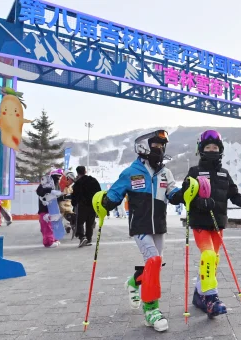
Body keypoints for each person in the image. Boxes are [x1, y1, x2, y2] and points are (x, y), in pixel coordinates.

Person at [93, 129, 181, 332]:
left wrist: (186, 192)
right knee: (153, 260)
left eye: (161, 146)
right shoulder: (130, 172)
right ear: (143, 146)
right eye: (155, 145)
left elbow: (173, 194)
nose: (159, 149)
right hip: (140, 226)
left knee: (155, 267)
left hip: (159, 225)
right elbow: (114, 195)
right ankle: (151, 310)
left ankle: (133, 282)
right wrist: (104, 203)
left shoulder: (165, 173)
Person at [179, 130, 241, 318]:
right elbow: (183, 196)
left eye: (215, 147)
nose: (212, 150)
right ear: (201, 150)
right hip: (200, 223)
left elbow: (234, 196)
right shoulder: (194, 172)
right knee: (209, 256)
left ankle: (199, 294)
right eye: (208, 147)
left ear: (221, 150)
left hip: (217, 225)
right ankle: (211, 298)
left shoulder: (224, 174)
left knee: (213, 261)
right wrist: (198, 202)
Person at [71, 166, 101, 247]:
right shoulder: (93, 180)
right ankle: (88, 239)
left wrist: (73, 204)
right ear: (85, 171)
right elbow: (99, 192)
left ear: (77, 173)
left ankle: (82, 237)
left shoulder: (78, 183)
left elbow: (74, 196)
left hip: (82, 206)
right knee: (90, 223)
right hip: (92, 205)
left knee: (79, 222)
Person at [36, 174, 61, 248]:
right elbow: (40, 192)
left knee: (50, 226)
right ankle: (49, 242)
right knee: (47, 227)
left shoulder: (53, 185)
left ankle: (50, 240)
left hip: (50, 209)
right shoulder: (44, 187)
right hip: (45, 210)